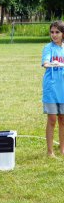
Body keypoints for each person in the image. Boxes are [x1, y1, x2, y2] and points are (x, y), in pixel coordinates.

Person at [42, 20, 64, 158]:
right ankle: (50, 152)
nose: (54, 35)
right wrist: (53, 63)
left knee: (62, 119)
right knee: (52, 120)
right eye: (52, 32)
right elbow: (45, 63)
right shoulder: (48, 48)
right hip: (51, 89)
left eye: (57, 32)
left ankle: (62, 149)